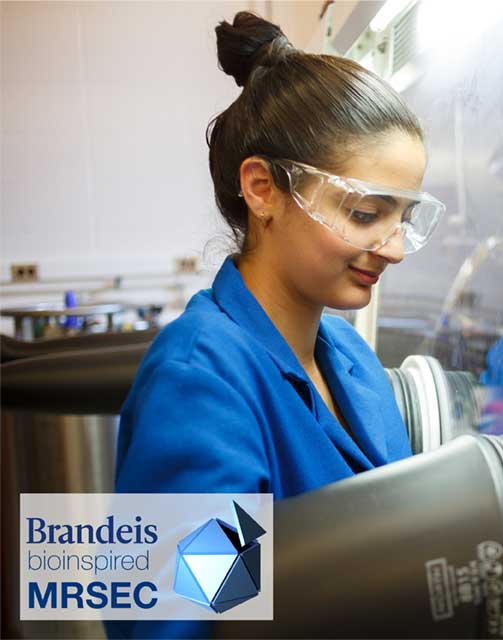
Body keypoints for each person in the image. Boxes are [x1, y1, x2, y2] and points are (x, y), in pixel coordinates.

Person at [110, 12, 442, 637]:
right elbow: (193, 622)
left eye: (404, 217)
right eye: (367, 212)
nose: (393, 247)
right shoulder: (204, 385)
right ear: (263, 189)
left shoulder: (347, 356)